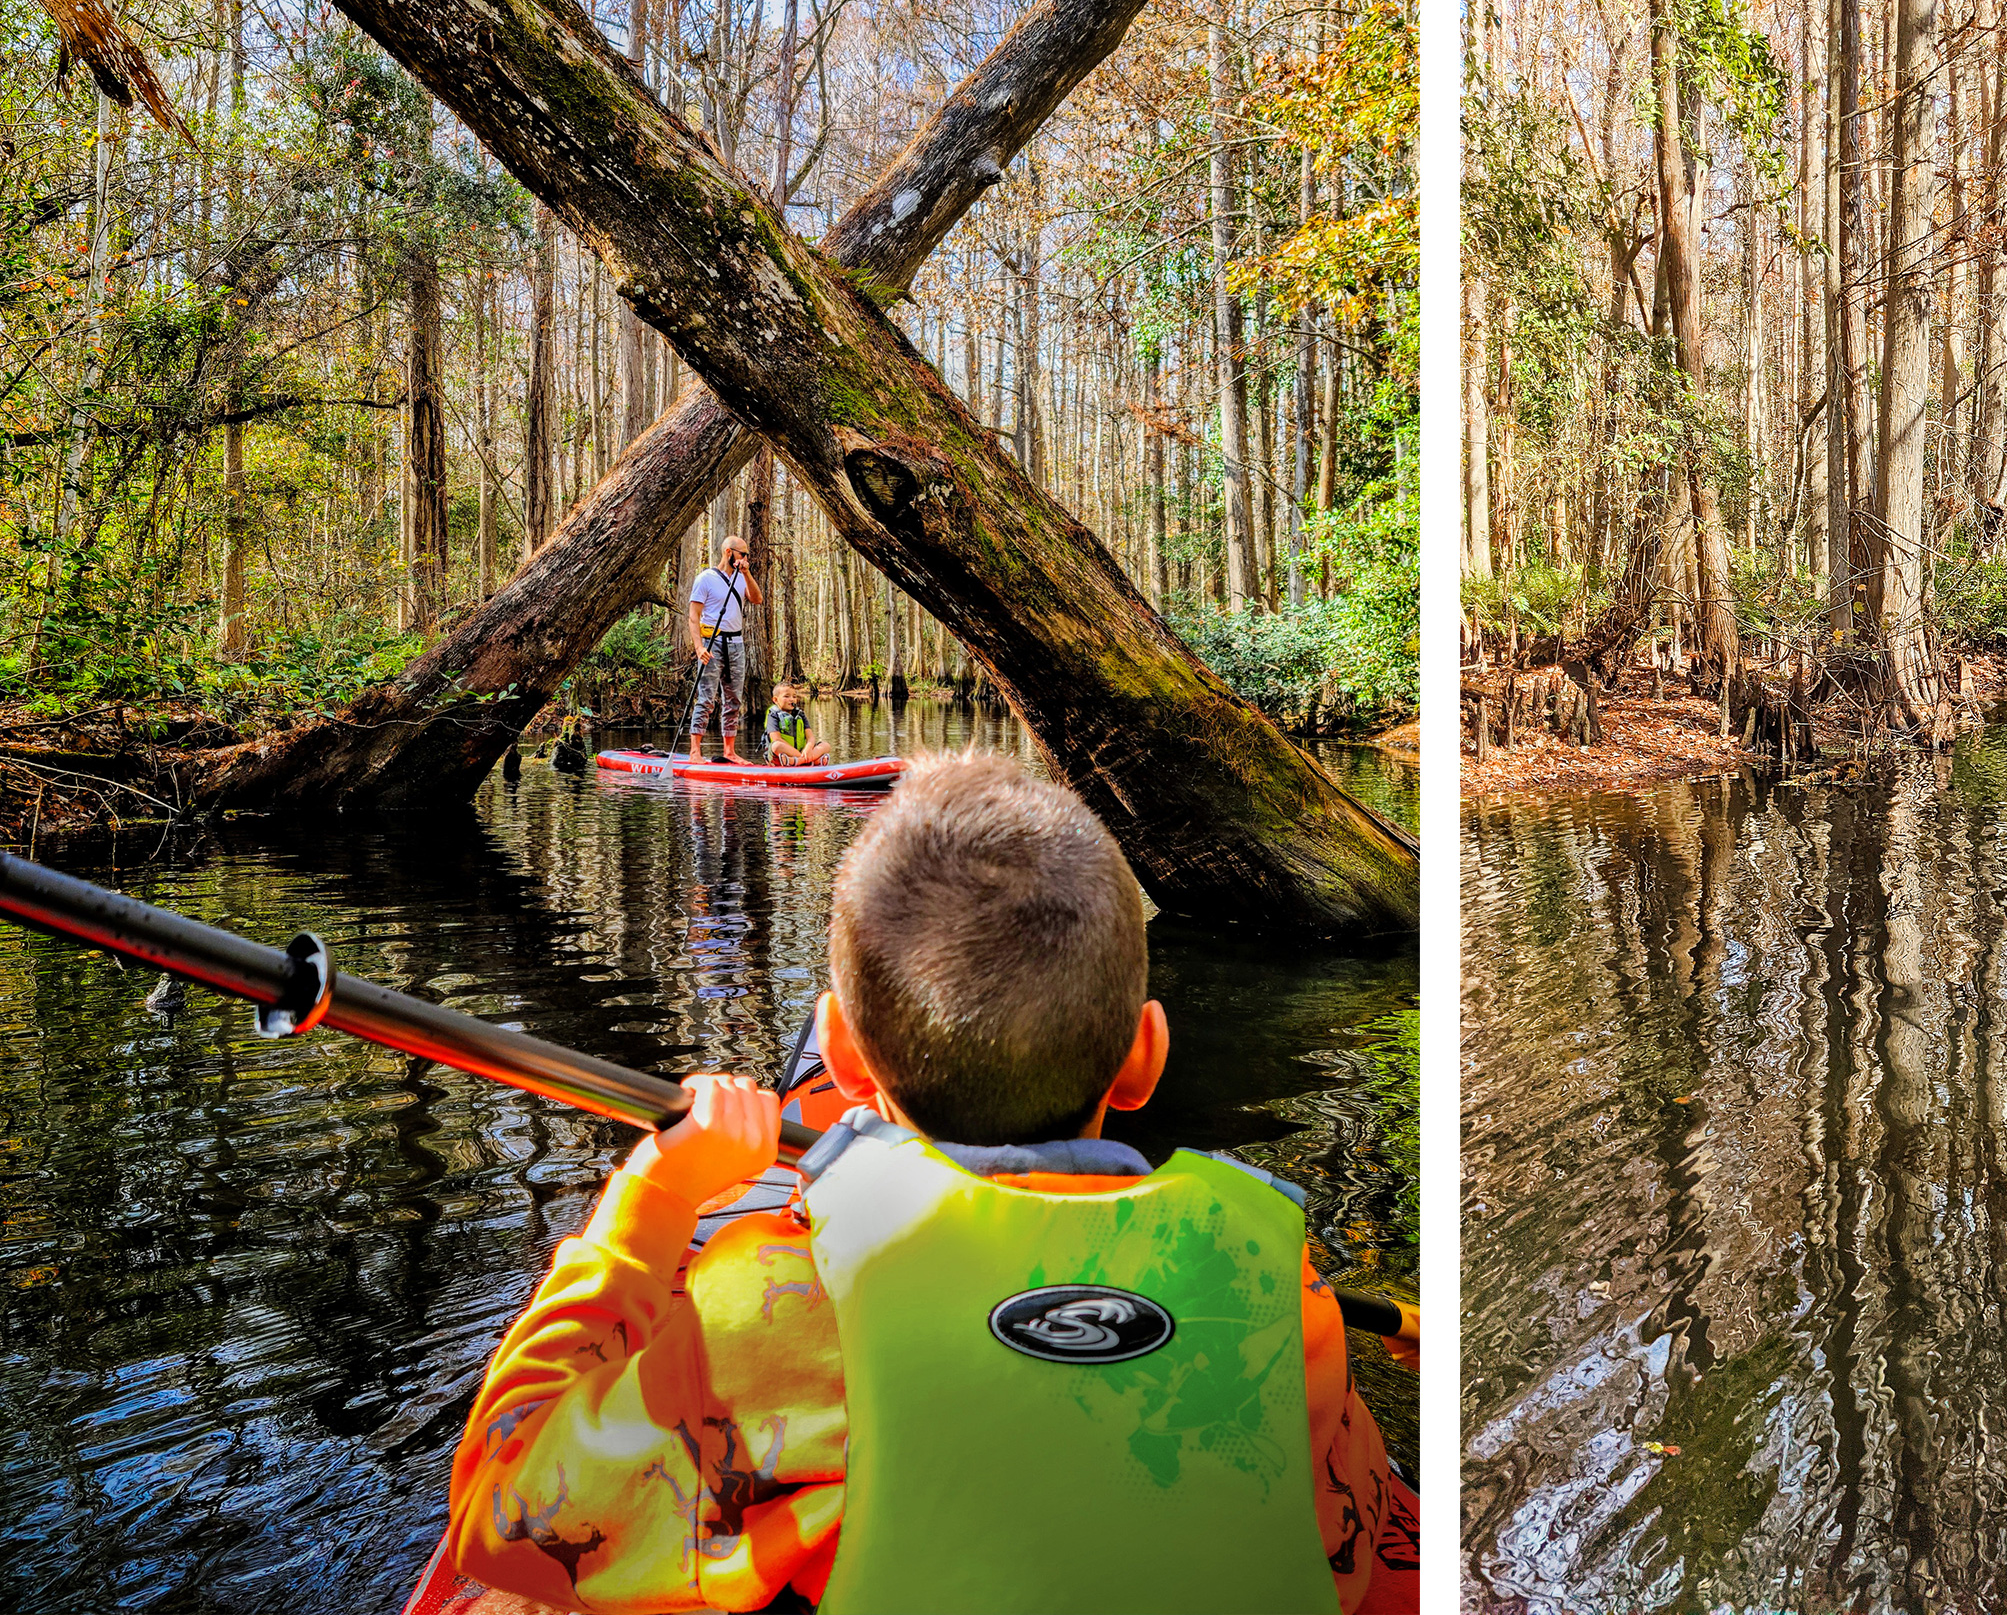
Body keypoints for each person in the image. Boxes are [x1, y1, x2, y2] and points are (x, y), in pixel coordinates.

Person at [439, 752, 1416, 1614]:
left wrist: (644, 1213)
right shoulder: (1284, 1291)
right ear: (1143, 1058)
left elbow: (499, 1511)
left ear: (840, 1061)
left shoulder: (774, 1303)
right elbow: (1356, 1557)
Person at [682, 536, 754, 762]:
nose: (745, 558)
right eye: (742, 554)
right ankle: (695, 751)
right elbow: (693, 616)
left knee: (733, 699)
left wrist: (747, 573)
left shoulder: (742, 578)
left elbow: (757, 598)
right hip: (712, 644)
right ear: (728, 552)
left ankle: (729, 751)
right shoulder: (706, 579)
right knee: (706, 698)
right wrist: (698, 647)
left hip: (736, 644)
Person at [764, 680, 828, 767]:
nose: (792, 699)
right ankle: (811, 760)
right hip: (782, 755)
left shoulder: (800, 715)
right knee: (776, 746)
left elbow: (811, 738)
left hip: (801, 754)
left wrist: (807, 749)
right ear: (775, 700)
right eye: (786, 696)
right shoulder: (773, 715)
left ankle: (798, 761)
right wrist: (800, 754)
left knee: (826, 745)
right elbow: (776, 738)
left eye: (794, 696)